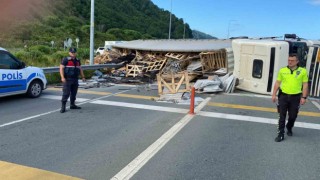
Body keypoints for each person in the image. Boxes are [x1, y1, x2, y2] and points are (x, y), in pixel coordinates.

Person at [272, 53, 308, 142]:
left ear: (297, 61)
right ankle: (281, 134)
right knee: (282, 116)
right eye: (289, 60)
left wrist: (304, 97)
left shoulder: (303, 71)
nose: (290, 62)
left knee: (293, 116)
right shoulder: (282, 70)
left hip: (295, 97)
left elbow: (305, 84)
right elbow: (277, 82)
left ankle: (289, 126)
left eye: (292, 60)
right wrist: (273, 94)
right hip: (283, 96)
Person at [59, 47, 85, 113]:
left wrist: (83, 77)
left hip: (75, 79)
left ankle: (72, 105)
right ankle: (63, 107)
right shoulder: (66, 60)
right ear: (69, 53)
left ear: (76, 53)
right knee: (66, 93)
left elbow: (80, 69)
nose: (73, 53)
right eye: (72, 52)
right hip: (67, 79)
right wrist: (62, 77)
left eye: (74, 52)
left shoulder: (78, 60)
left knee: (74, 93)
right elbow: (61, 68)